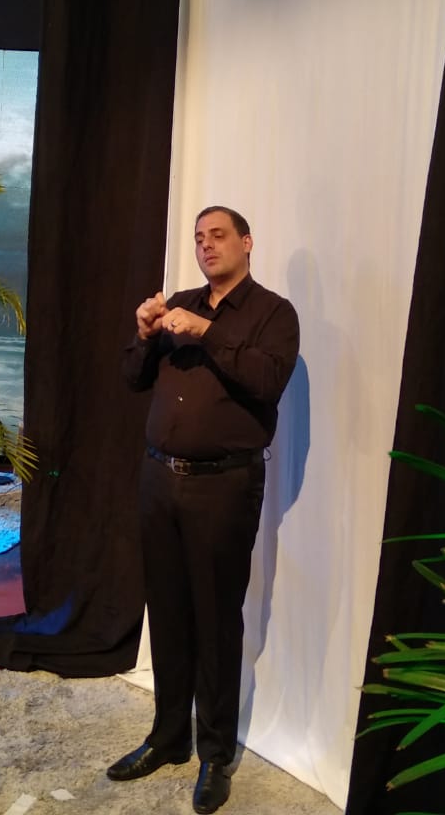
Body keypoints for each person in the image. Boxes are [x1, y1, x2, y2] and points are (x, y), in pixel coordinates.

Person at [112, 206, 300, 814]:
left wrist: (207, 332)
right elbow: (133, 378)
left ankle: (215, 754)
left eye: (218, 235)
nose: (206, 245)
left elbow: (267, 381)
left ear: (247, 242)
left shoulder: (273, 313)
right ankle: (168, 737)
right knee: (167, 612)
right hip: (158, 480)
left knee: (217, 620)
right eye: (198, 238)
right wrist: (145, 333)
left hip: (224, 486)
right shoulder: (179, 305)